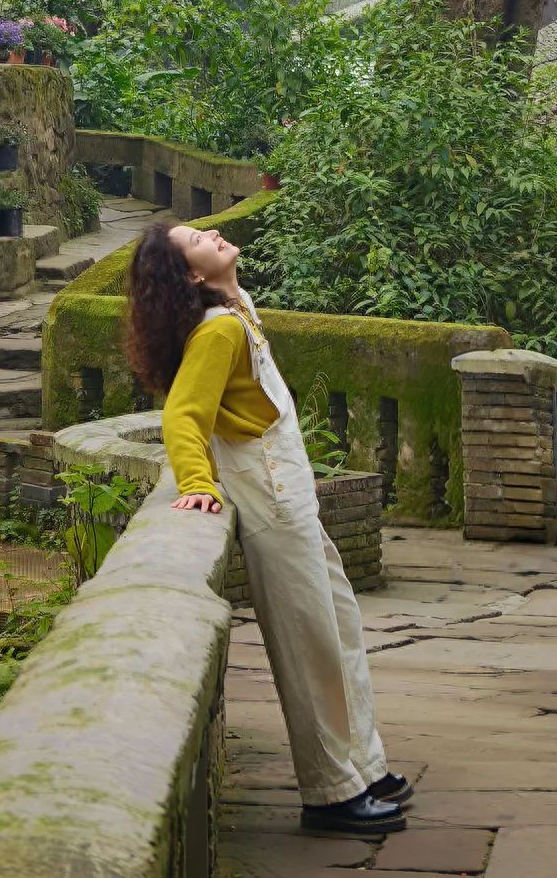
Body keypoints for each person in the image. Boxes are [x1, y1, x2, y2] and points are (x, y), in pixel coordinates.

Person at [125, 221, 412, 840]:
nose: (216, 231)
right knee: (309, 649)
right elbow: (183, 414)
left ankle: (364, 765)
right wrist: (198, 484)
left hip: (294, 500)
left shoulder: (236, 306)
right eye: (198, 239)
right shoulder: (220, 329)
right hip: (273, 507)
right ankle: (331, 792)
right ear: (192, 276)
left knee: (340, 631)